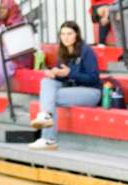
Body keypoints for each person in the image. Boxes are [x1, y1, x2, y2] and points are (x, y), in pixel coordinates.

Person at [28, 21, 102, 150]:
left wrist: (70, 73)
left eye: (69, 33)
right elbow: (63, 76)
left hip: (91, 92)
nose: (65, 37)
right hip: (72, 90)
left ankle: (48, 136)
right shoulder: (63, 52)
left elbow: (93, 78)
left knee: (49, 98)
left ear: (76, 35)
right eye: (62, 34)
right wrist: (54, 74)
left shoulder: (86, 51)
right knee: (46, 82)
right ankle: (46, 122)